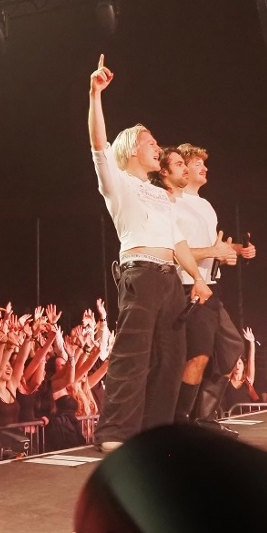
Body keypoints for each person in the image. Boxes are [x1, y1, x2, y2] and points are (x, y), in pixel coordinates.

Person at [86, 54, 212, 452]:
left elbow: (177, 243)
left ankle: (155, 433)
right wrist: (95, 94)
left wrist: (200, 278)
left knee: (171, 360)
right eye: (150, 143)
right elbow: (97, 142)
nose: (157, 147)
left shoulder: (161, 194)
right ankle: (114, 433)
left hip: (170, 279)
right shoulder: (118, 182)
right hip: (139, 274)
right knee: (132, 356)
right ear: (130, 151)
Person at [168, 143, 255, 431]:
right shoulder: (173, 203)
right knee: (199, 354)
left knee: (231, 347)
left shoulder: (205, 205)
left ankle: (203, 417)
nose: (204, 168)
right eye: (196, 164)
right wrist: (213, 252)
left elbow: (215, 249)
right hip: (186, 287)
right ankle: (182, 419)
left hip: (210, 286)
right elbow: (174, 250)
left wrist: (235, 252)